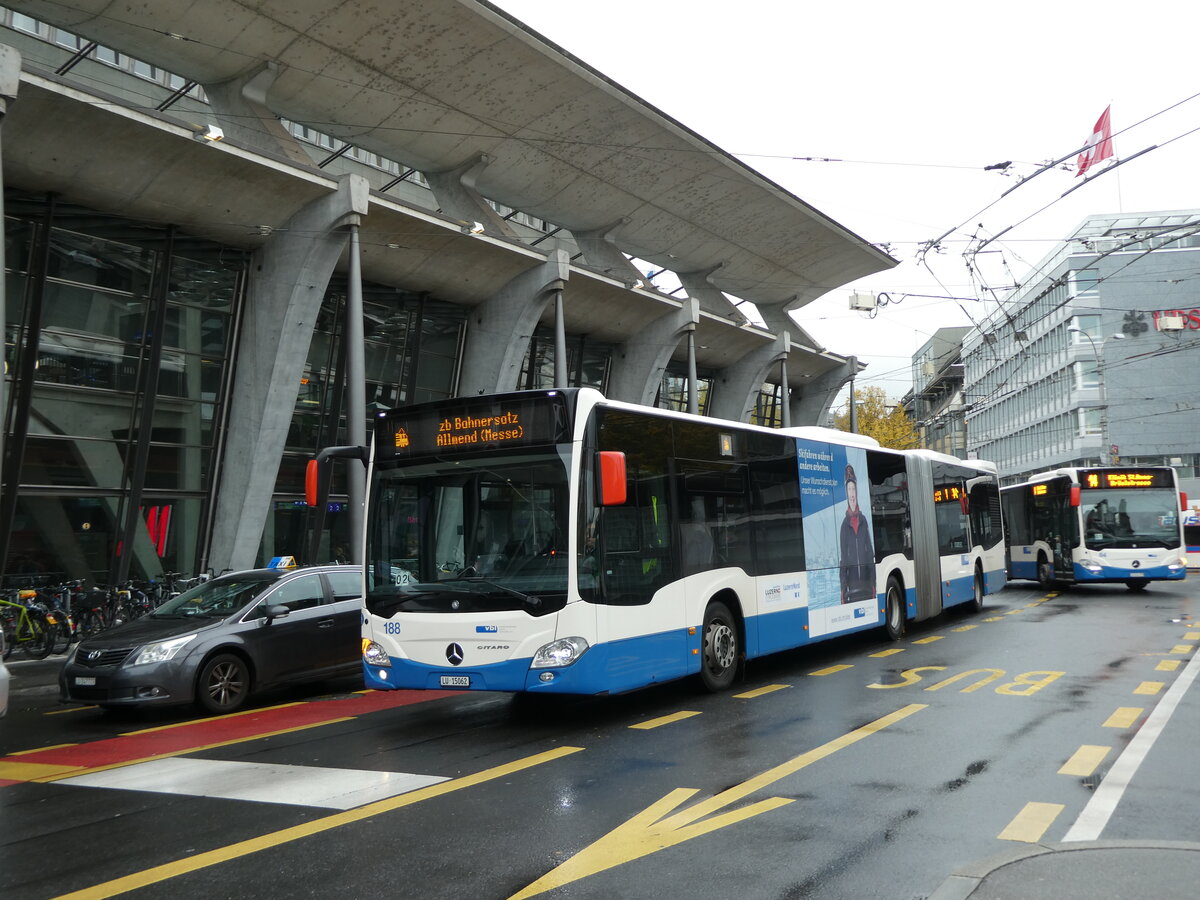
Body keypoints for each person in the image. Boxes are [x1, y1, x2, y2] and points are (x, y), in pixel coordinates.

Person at [839, 463, 876, 604]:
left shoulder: (863, 521)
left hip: (867, 586)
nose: (852, 493)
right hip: (852, 589)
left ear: (857, 492)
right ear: (846, 493)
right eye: (849, 489)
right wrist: (843, 591)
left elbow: (870, 552)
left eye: (853, 489)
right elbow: (843, 559)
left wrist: (873, 584)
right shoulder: (844, 525)